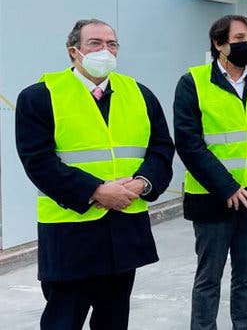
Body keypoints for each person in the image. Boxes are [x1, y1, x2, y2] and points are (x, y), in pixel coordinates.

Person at [16, 18, 175, 329]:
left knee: (114, 321)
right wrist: (97, 191)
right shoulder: (40, 96)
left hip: (124, 230)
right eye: (95, 43)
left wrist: (143, 183)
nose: (106, 50)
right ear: (74, 51)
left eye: (112, 44)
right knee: (63, 320)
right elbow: (38, 161)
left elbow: (161, 149)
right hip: (70, 234)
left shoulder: (139, 94)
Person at [173, 15, 247, 330]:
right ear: (218, 43)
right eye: (239, 37)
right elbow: (189, 143)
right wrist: (227, 188)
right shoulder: (193, 82)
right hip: (213, 200)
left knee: (246, 278)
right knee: (209, 279)